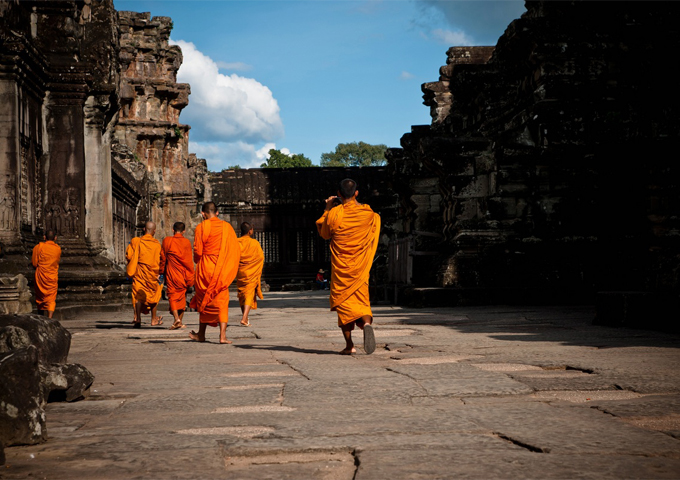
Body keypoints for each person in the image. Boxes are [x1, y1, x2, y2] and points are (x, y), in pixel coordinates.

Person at [316, 178, 381, 355]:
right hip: (360, 267)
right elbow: (375, 226)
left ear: (338, 194)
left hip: (342, 268)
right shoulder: (368, 214)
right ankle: (367, 323)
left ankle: (349, 345)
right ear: (357, 193)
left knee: (343, 304)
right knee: (362, 301)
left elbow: (324, 233)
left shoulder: (335, 214)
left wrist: (328, 208)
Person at [189, 202, 240, 344]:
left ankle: (201, 334)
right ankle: (222, 336)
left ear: (203, 214)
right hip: (221, 270)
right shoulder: (227, 227)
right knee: (222, 302)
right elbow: (234, 250)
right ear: (217, 212)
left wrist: (198, 259)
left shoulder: (201, 227)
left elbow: (198, 252)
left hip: (205, 269)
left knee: (204, 299)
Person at [126, 221, 164, 328]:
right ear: (154, 231)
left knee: (138, 295)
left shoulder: (136, 241)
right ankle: (153, 319)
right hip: (153, 274)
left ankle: (137, 318)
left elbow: (129, 256)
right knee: (154, 294)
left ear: (144, 229)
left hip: (140, 273)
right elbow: (160, 260)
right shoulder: (157, 244)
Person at [160, 222, 195, 330]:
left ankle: (177, 320)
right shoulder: (186, 242)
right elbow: (189, 260)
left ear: (173, 229)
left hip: (171, 272)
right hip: (183, 273)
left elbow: (163, 258)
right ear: (184, 231)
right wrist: (191, 274)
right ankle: (178, 319)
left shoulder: (167, 240)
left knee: (172, 296)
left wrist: (161, 271)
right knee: (182, 297)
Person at [236, 222, 264, 327]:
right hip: (251, 272)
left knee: (241, 295)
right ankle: (244, 318)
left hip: (241, 272)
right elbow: (260, 258)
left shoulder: (236, 242)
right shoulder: (255, 243)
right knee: (249, 294)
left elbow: (233, 256)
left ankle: (246, 318)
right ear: (250, 231)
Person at [31, 230, 61, 318]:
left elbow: (34, 263)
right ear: (55, 238)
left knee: (40, 297)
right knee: (51, 298)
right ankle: (50, 318)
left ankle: (41, 316)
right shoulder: (58, 249)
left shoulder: (38, 247)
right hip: (52, 276)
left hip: (40, 276)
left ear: (44, 237)